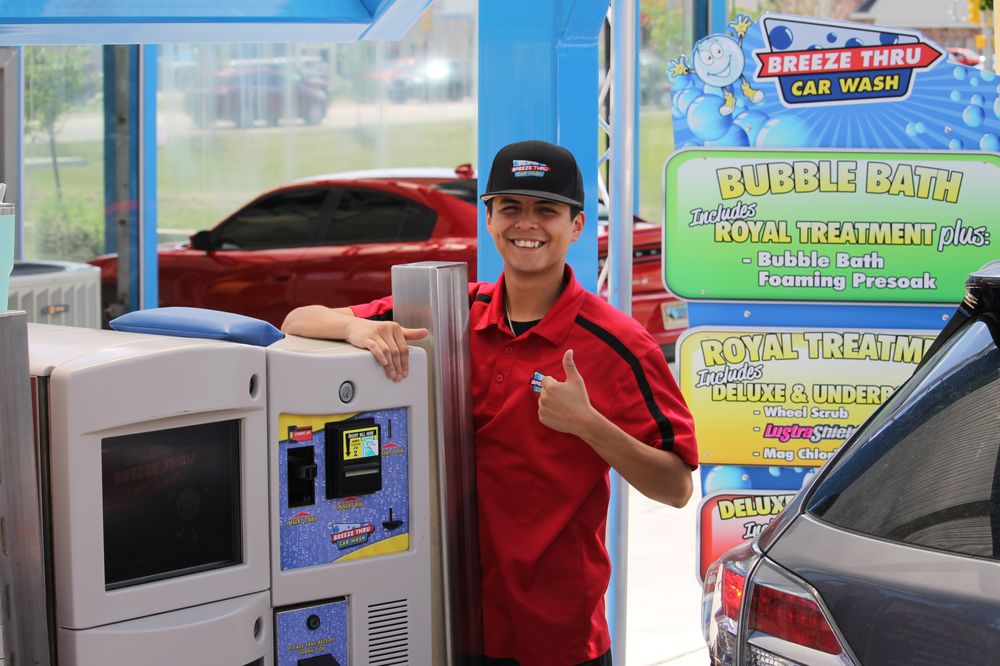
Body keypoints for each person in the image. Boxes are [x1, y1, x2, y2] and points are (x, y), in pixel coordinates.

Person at [282, 140, 698, 666]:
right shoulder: (446, 311)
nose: (527, 224)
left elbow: (676, 487)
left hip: (555, 634)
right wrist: (356, 329)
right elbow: (297, 319)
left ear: (576, 226)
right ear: (490, 219)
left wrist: (589, 425)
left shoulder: (619, 343)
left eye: (546, 210)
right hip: (447, 618)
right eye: (511, 207)